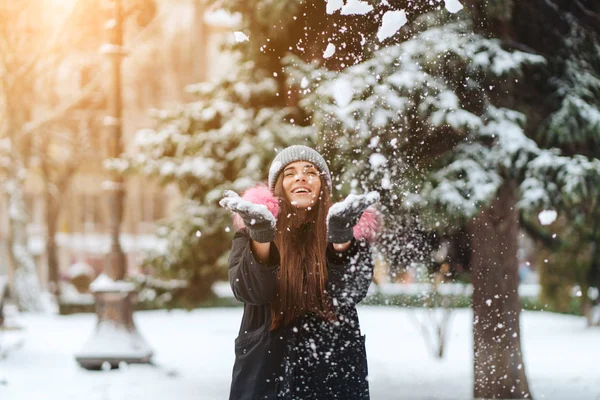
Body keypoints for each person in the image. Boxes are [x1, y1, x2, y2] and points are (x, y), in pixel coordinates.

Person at [220, 145, 380, 400]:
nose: (301, 177)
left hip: (333, 370)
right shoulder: (249, 233)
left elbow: (350, 292)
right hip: (267, 369)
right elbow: (250, 291)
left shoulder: (345, 229)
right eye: (290, 173)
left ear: (322, 186)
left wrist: (340, 237)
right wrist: (261, 235)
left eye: (310, 172)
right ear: (278, 187)